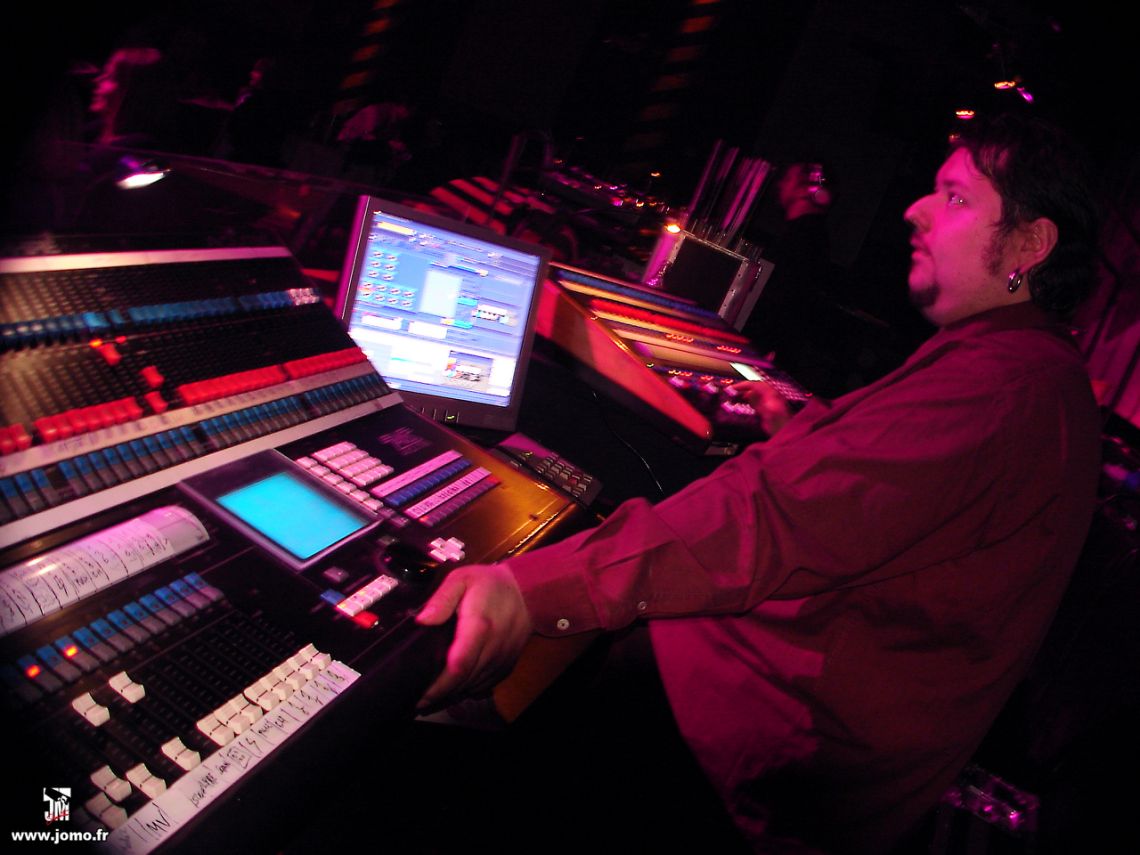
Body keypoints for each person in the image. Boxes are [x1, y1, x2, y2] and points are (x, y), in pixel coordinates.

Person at [413, 111, 1103, 854]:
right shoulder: (1020, 367)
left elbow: (773, 517)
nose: (916, 209)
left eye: (957, 197)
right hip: (812, 739)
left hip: (764, 751)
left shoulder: (1001, 387)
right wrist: (802, 429)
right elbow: (881, 489)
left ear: (1029, 244)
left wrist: (533, 589)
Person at [742, 159, 848, 395]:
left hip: (768, 354)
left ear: (808, 190)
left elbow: (782, 303)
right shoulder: (807, 235)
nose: (781, 185)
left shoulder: (804, 239)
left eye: (788, 179)